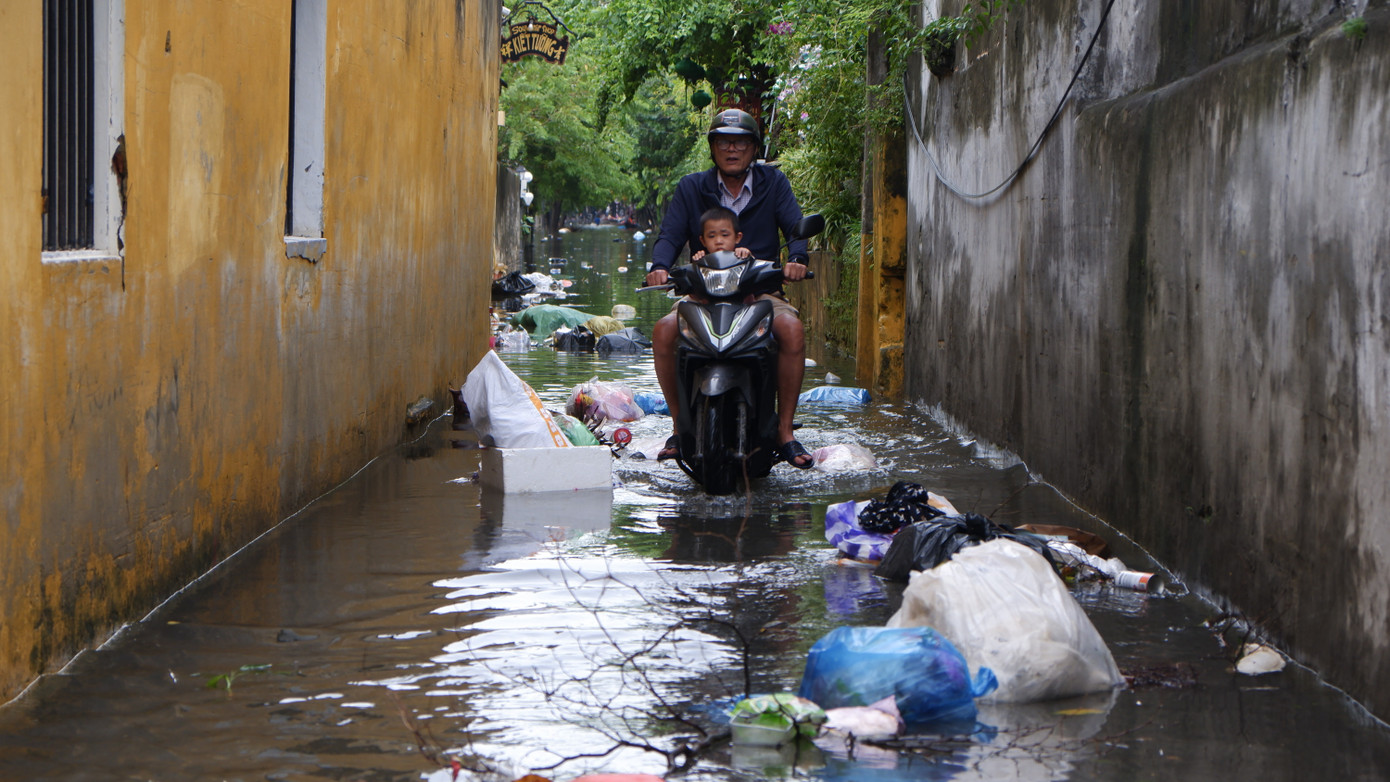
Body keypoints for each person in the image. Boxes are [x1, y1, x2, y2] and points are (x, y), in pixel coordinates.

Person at [646, 108, 813, 468]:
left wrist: (797, 259)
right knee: (662, 331)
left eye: (740, 142)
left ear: (754, 148)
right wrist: (659, 267)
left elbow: (795, 226)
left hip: (760, 293)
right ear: (713, 148)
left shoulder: (774, 183)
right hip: (702, 293)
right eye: (724, 141)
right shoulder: (692, 187)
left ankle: (785, 431)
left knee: (791, 329)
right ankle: (678, 427)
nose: (732, 149)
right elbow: (670, 235)